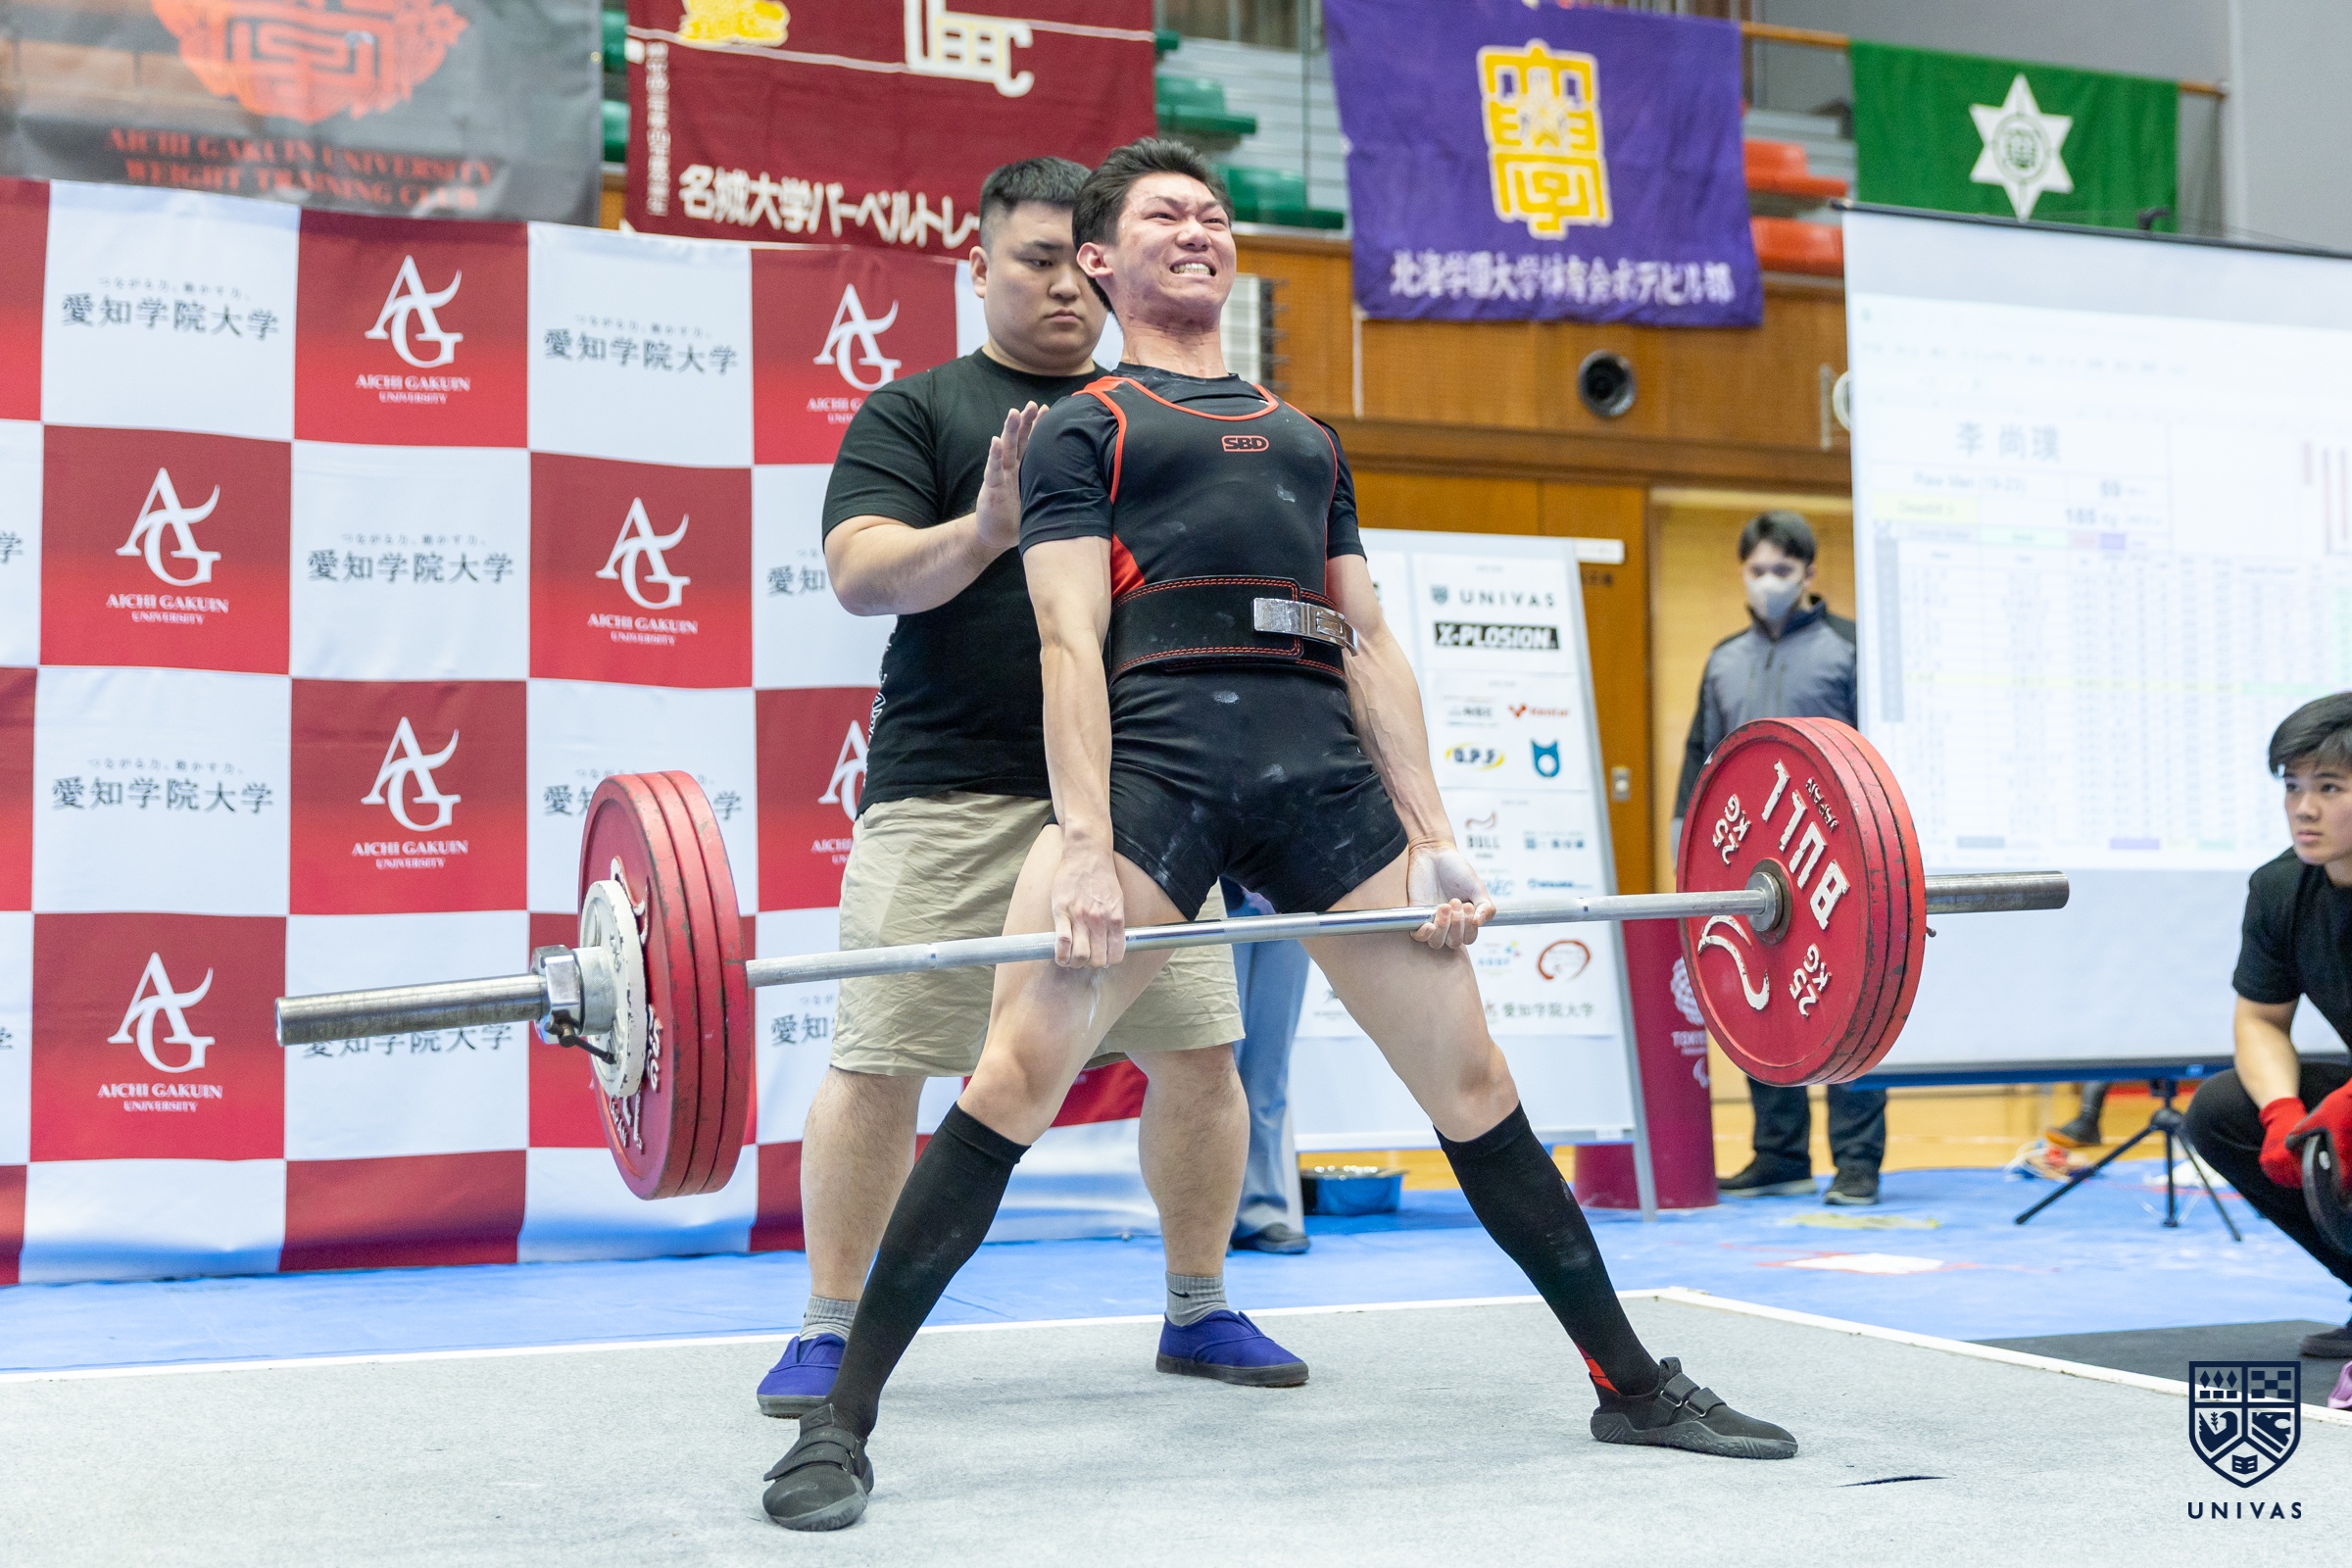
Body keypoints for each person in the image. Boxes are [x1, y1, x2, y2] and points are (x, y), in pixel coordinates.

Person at [760, 138, 1794, 1533]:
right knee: (1011, 1075)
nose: (1198, 229)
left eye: (1212, 214)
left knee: (1475, 1080)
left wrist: (1434, 834)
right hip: (1162, 777)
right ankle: (839, 1424)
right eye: (1163, 217)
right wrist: (1082, 845)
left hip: (1319, 784)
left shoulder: (1305, 437)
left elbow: (1366, 639)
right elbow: (1067, 638)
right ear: (1102, 261)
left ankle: (1632, 1383)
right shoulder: (1083, 428)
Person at [754, 156, 1304, 1420]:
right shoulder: (920, 411)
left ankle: (1199, 1305)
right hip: (948, 792)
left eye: (1077, 261)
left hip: (1146, 802)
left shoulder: (1157, 412)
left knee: (1200, 1052)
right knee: (880, 1056)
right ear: (981, 267)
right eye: (1034, 260)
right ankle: (831, 1323)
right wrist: (987, 529)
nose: (1062, 285)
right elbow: (861, 575)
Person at [1670, 512, 1886, 1207]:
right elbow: (1701, 759)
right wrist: (1684, 843)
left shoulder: (1850, 650)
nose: (1769, 582)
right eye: (1758, 569)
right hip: (1753, 866)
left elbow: (1883, 758)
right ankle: (1779, 1155)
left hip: (1844, 862)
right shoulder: (1723, 659)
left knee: (1853, 1005)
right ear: (1742, 572)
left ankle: (1858, 1163)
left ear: (1810, 574)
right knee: (1761, 1001)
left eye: (1783, 571)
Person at [2184, 694, 2352, 1360]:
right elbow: (2261, 1018)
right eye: (2292, 786)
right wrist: (2283, 1114)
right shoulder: (2282, 888)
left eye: (2329, 788)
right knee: (2223, 1110)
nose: (2303, 808)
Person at [1224, 879, 1311, 1254]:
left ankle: (1260, 1207)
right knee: (1208, 1067)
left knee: (1268, 1071)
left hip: (1289, 897)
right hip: (1212, 895)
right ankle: (1205, 1217)